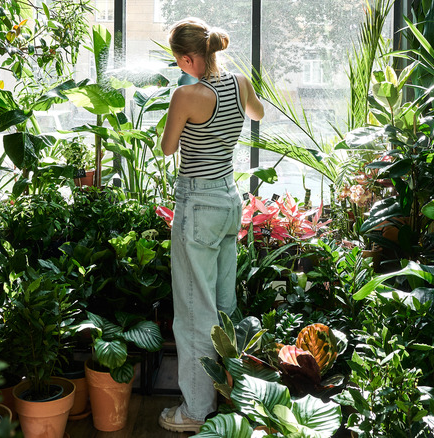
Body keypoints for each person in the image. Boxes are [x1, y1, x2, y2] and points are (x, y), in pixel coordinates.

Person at [158, 17, 264, 433]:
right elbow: (257, 113)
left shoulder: (186, 95)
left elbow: (168, 148)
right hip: (228, 201)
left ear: (188, 58)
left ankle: (194, 412)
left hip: (197, 203)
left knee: (193, 313)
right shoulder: (239, 83)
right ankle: (230, 396)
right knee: (223, 305)